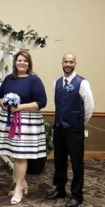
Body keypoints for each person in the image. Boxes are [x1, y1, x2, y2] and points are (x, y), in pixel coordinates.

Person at [0, 50, 47, 205]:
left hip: (27, 122)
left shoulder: (34, 80)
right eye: (19, 60)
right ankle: (22, 183)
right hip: (10, 120)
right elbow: (0, 97)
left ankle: (18, 189)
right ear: (15, 62)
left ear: (29, 63)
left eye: (25, 61)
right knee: (15, 155)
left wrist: (19, 106)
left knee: (21, 156)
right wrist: (6, 105)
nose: (22, 63)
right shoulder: (9, 78)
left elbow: (41, 102)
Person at [45, 53, 94, 207]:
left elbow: (89, 107)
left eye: (71, 62)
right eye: (66, 61)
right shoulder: (57, 82)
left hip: (74, 129)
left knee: (76, 162)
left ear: (75, 64)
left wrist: (79, 123)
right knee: (59, 161)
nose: (68, 64)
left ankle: (77, 195)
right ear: (62, 63)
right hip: (59, 127)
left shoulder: (83, 82)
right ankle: (60, 189)